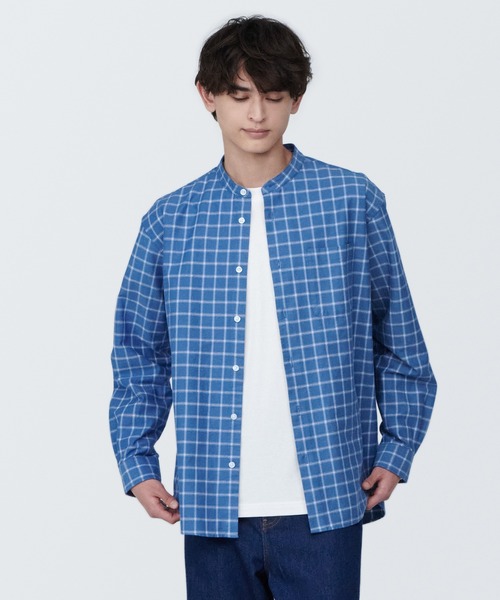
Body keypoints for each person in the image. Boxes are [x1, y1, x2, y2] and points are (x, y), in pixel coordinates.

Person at [109, 15, 437, 599]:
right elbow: (140, 355)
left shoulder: (351, 202)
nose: (257, 114)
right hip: (211, 506)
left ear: (297, 100)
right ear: (207, 96)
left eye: (274, 96)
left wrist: (398, 448)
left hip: (328, 500)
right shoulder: (170, 220)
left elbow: (399, 339)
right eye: (239, 96)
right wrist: (137, 463)